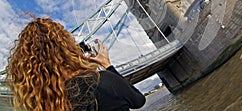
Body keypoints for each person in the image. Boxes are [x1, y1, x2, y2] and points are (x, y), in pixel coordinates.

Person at [6, 17, 145, 111]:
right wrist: (107, 65)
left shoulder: (45, 105)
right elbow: (139, 100)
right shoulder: (104, 82)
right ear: (68, 48)